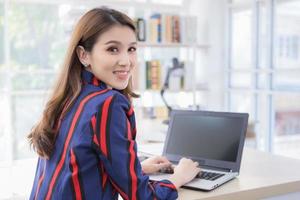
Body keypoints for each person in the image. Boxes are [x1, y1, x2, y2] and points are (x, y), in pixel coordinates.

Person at [28, 7, 200, 200]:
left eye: (131, 49)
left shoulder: (68, 96)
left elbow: (77, 168)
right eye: (112, 49)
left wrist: (135, 168)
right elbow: (141, 197)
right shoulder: (108, 103)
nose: (126, 61)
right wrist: (178, 177)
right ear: (84, 55)